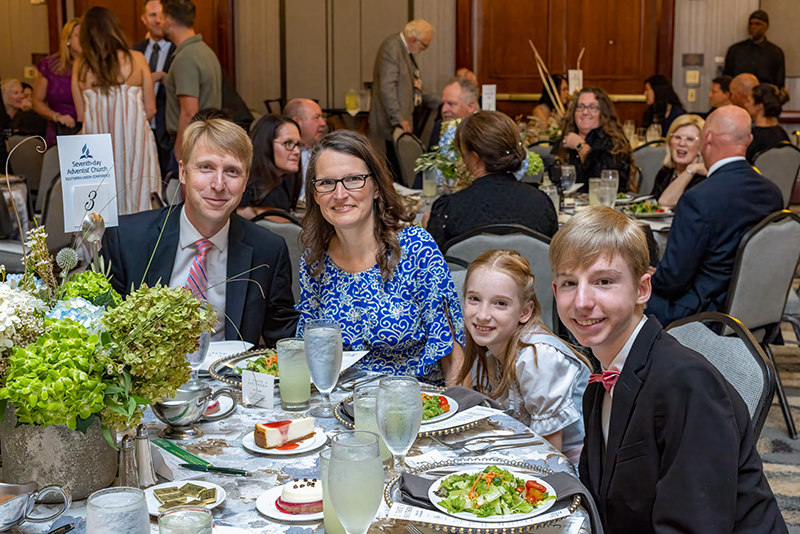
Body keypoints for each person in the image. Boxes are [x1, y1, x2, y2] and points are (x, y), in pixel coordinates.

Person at [550, 205, 786, 533]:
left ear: (643, 289)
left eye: (604, 281)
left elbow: (695, 525)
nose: (582, 302)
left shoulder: (686, 384)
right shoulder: (599, 380)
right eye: (569, 283)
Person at [100, 117, 298, 346]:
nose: (218, 184)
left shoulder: (268, 250)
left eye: (232, 171)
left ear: (245, 183)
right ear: (183, 172)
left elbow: (285, 340)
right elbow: (103, 331)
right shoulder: (127, 239)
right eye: (206, 167)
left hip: (229, 379)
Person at [296, 129, 464, 386]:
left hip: (417, 408)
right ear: (316, 194)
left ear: (376, 188)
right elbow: (306, 353)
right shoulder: (314, 261)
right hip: (339, 410)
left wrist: (459, 417)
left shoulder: (415, 249)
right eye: (327, 183)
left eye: (353, 179)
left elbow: (452, 356)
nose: (339, 194)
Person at [648, 106, 783, 325]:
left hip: (702, 313)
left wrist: (648, 276)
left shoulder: (698, 198)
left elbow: (671, 282)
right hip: (753, 308)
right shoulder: (772, 193)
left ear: (706, 137)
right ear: (748, 140)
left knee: (618, 295)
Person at [456, 249, 590, 464]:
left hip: (571, 467)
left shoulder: (537, 358)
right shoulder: (497, 348)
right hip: (528, 454)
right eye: (474, 299)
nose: (482, 314)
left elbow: (550, 457)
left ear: (525, 312)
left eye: (500, 303)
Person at [72, 6, 160, 216]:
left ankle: (99, 249)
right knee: (139, 202)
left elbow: (81, 116)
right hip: (135, 146)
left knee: (97, 211)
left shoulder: (81, 66)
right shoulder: (137, 59)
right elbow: (150, 109)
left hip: (95, 149)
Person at [427, 110, 558, 248]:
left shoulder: (449, 210)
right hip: (526, 270)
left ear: (475, 158)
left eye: (463, 153)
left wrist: (429, 236)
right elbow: (552, 261)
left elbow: (433, 266)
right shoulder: (541, 204)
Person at [369, 20, 439, 174]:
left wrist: (439, 100)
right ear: (414, 40)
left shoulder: (405, 51)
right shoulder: (392, 48)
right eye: (424, 45)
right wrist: (399, 117)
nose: (423, 50)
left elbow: (412, 84)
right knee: (393, 169)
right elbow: (387, 87)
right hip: (392, 123)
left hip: (401, 120)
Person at [161, 0, 222, 165]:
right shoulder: (205, 51)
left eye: (161, 17)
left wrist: (180, 150)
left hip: (192, 143)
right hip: (207, 138)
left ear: (169, 20)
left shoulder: (185, 57)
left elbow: (189, 111)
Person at [552, 86, 632, 193]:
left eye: (592, 107)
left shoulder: (613, 143)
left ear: (603, 113)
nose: (585, 112)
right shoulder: (566, 139)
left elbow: (602, 182)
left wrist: (580, 146)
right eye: (580, 107)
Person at [133, 0, 175, 179]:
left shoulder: (179, 50)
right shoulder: (134, 52)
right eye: (152, 15)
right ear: (144, 18)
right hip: (136, 131)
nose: (158, 20)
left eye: (161, 15)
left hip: (168, 134)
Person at [236, 114, 302, 219]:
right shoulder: (258, 191)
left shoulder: (282, 182)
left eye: (298, 144)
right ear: (266, 145)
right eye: (287, 143)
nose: (297, 151)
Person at [32, 19, 81, 148]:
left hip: (91, 130)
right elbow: (36, 101)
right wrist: (56, 116)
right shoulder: (50, 65)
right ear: (68, 40)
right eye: (78, 36)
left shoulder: (96, 67)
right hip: (61, 131)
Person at [650, 114, 707, 207]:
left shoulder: (703, 181)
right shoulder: (664, 173)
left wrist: (690, 170)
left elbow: (665, 202)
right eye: (677, 137)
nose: (682, 143)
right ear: (669, 143)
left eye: (690, 139)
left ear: (700, 149)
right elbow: (650, 206)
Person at [723, 10, 785, 88]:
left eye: (757, 24)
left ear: (766, 27)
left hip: (764, 97)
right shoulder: (735, 50)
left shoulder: (775, 53)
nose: (753, 27)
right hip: (739, 96)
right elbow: (727, 77)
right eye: (751, 24)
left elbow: (779, 84)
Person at [283, 97, 327, 195]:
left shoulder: (325, 152)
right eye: (316, 118)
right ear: (297, 121)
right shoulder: (282, 156)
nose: (323, 123)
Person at [744, 84, 791, 163]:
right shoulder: (782, 134)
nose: (745, 104)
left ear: (759, 106)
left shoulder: (751, 137)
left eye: (748, 101)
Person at [429, 76, 479, 149]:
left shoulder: (484, 132)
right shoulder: (439, 126)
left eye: (451, 104)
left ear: (470, 107)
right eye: (443, 104)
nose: (444, 110)